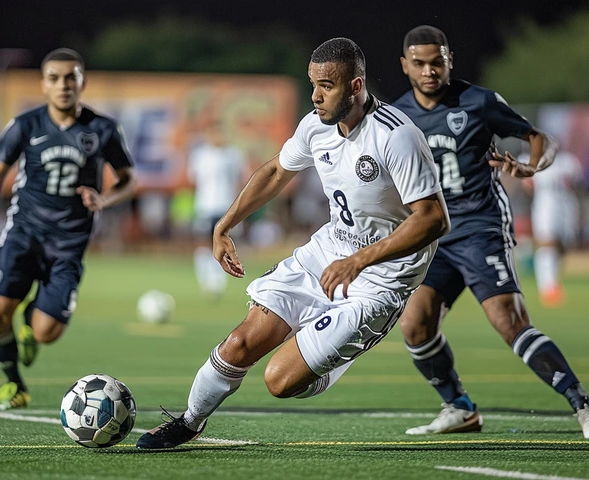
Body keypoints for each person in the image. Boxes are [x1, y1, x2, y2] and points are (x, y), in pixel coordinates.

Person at [137, 37, 450, 450]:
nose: (316, 96)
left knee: (279, 381)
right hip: (324, 257)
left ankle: (337, 351)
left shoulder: (396, 137)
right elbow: (274, 173)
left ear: (356, 87)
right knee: (239, 344)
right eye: (313, 85)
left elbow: (433, 219)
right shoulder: (315, 126)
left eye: (327, 86)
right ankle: (190, 421)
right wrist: (225, 225)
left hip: (380, 282)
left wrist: (359, 260)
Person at [391, 25, 589, 436]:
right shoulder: (395, 116)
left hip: (481, 226)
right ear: (405, 66)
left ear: (450, 60)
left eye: (437, 62)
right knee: (415, 325)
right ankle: (460, 408)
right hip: (432, 235)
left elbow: (539, 137)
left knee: (509, 321)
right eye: (420, 64)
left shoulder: (478, 102)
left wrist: (533, 165)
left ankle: (581, 403)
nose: (430, 71)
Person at [0, 48, 136, 410]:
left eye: (70, 77)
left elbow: (128, 180)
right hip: (24, 231)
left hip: (70, 242)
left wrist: (102, 200)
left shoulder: (102, 129)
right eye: (54, 78)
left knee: (46, 332)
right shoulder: (25, 124)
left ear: (82, 82)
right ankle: (14, 385)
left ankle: (31, 322)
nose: (63, 85)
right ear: (43, 84)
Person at [187, 121, 248, 298]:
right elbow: (193, 179)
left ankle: (218, 281)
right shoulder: (200, 155)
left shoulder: (234, 155)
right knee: (202, 243)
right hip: (205, 206)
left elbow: (241, 180)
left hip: (226, 207)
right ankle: (205, 279)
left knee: (225, 243)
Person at [519, 149, 585, 307]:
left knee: (562, 246)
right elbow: (526, 185)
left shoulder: (568, 161)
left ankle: (553, 283)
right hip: (545, 204)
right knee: (546, 243)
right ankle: (548, 288)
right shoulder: (533, 159)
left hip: (567, 205)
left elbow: (578, 185)